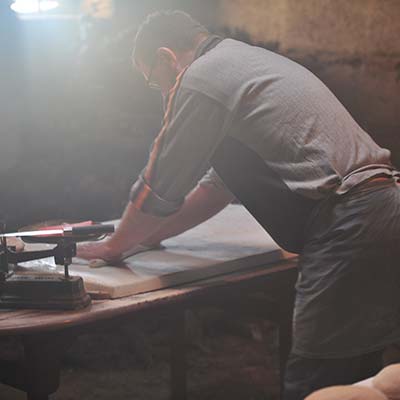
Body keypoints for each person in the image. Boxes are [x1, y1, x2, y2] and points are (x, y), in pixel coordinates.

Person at [77, 10, 400, 399]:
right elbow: (216, 189)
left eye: (155, 82)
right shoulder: (245, 63)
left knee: (315, 383)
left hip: (349, 222)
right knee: (358, 378)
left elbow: (160, 182)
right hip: (383, 209)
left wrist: (115, 245)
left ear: (167, 57)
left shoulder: (200, 77)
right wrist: (146, 236)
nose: (163, 94)